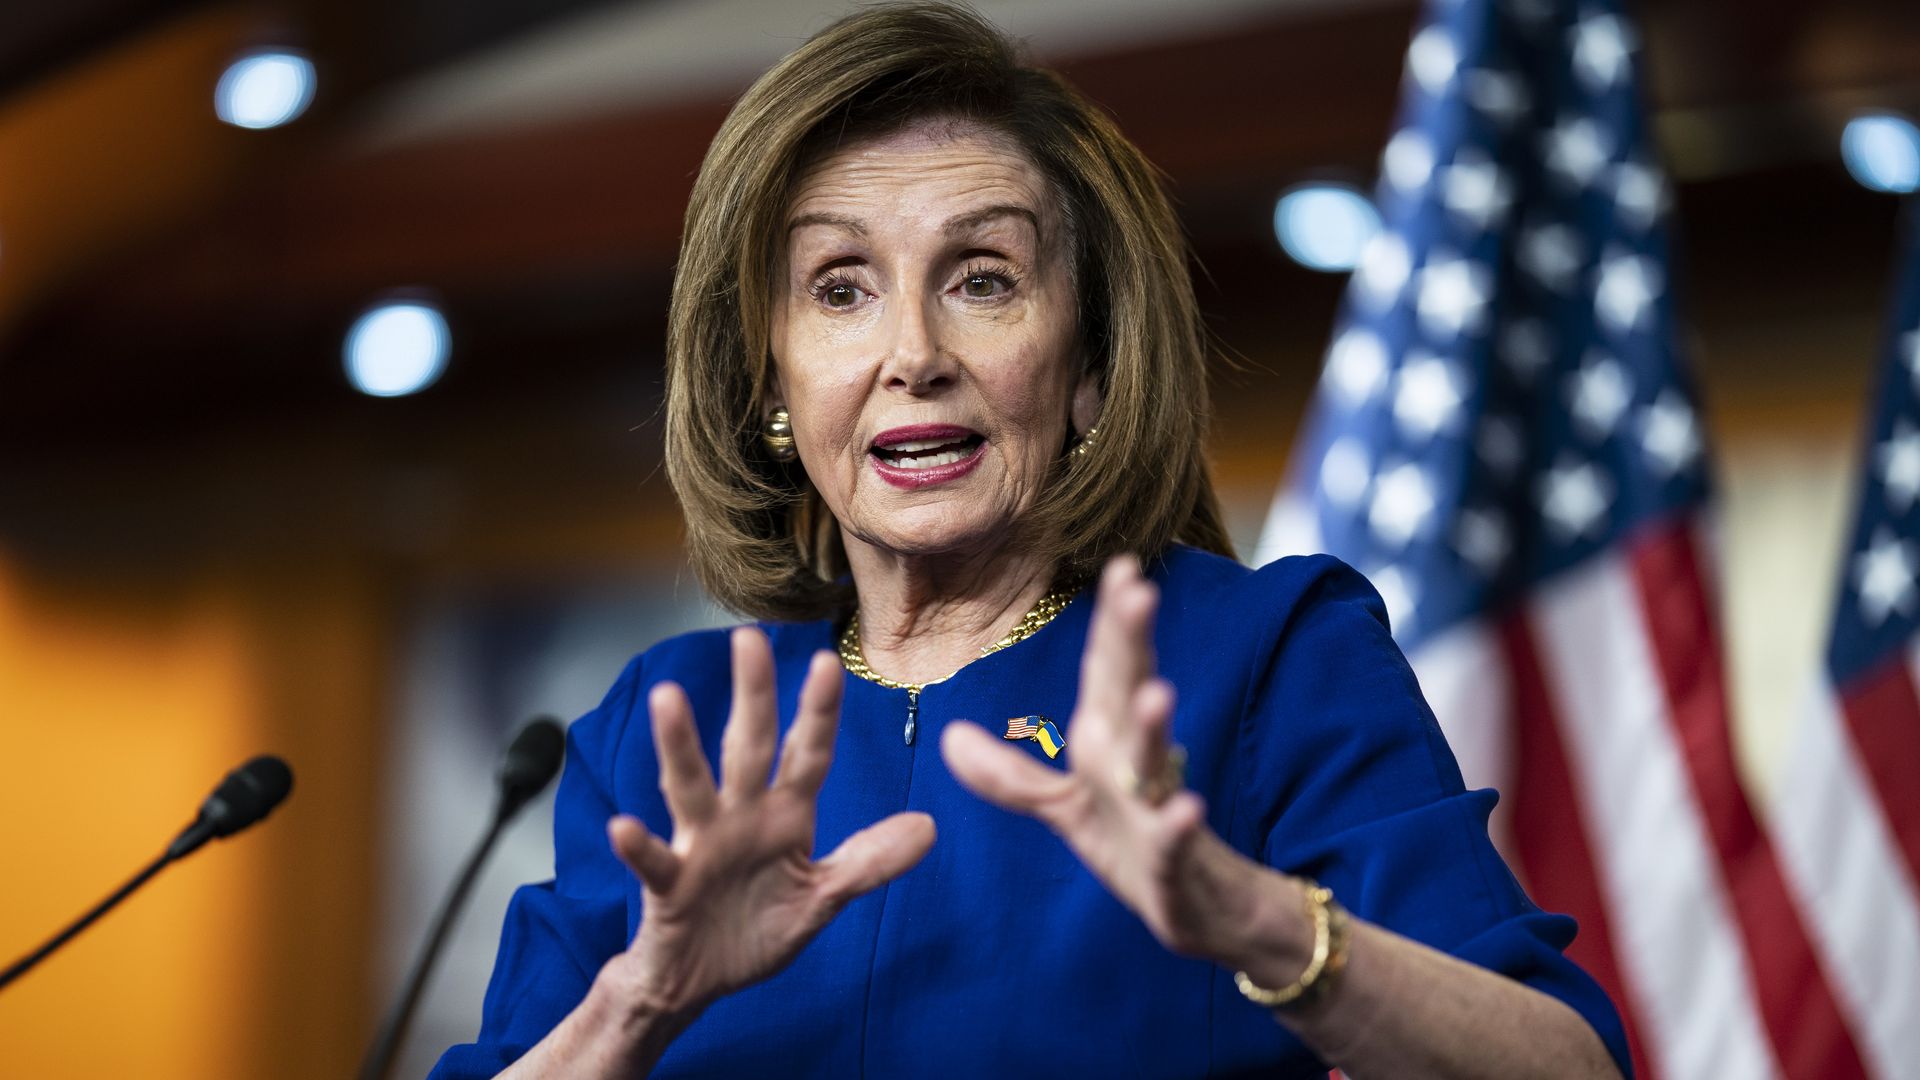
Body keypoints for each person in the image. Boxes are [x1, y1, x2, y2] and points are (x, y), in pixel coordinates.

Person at [431, 4, 1630, 1077]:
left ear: (1091, 364)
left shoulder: (1265, 658)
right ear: (770, 385)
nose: (914, 354)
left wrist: (1252, 920)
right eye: (840, 287)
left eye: (984, 279)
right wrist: (639, 1002)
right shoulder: (666, 735)